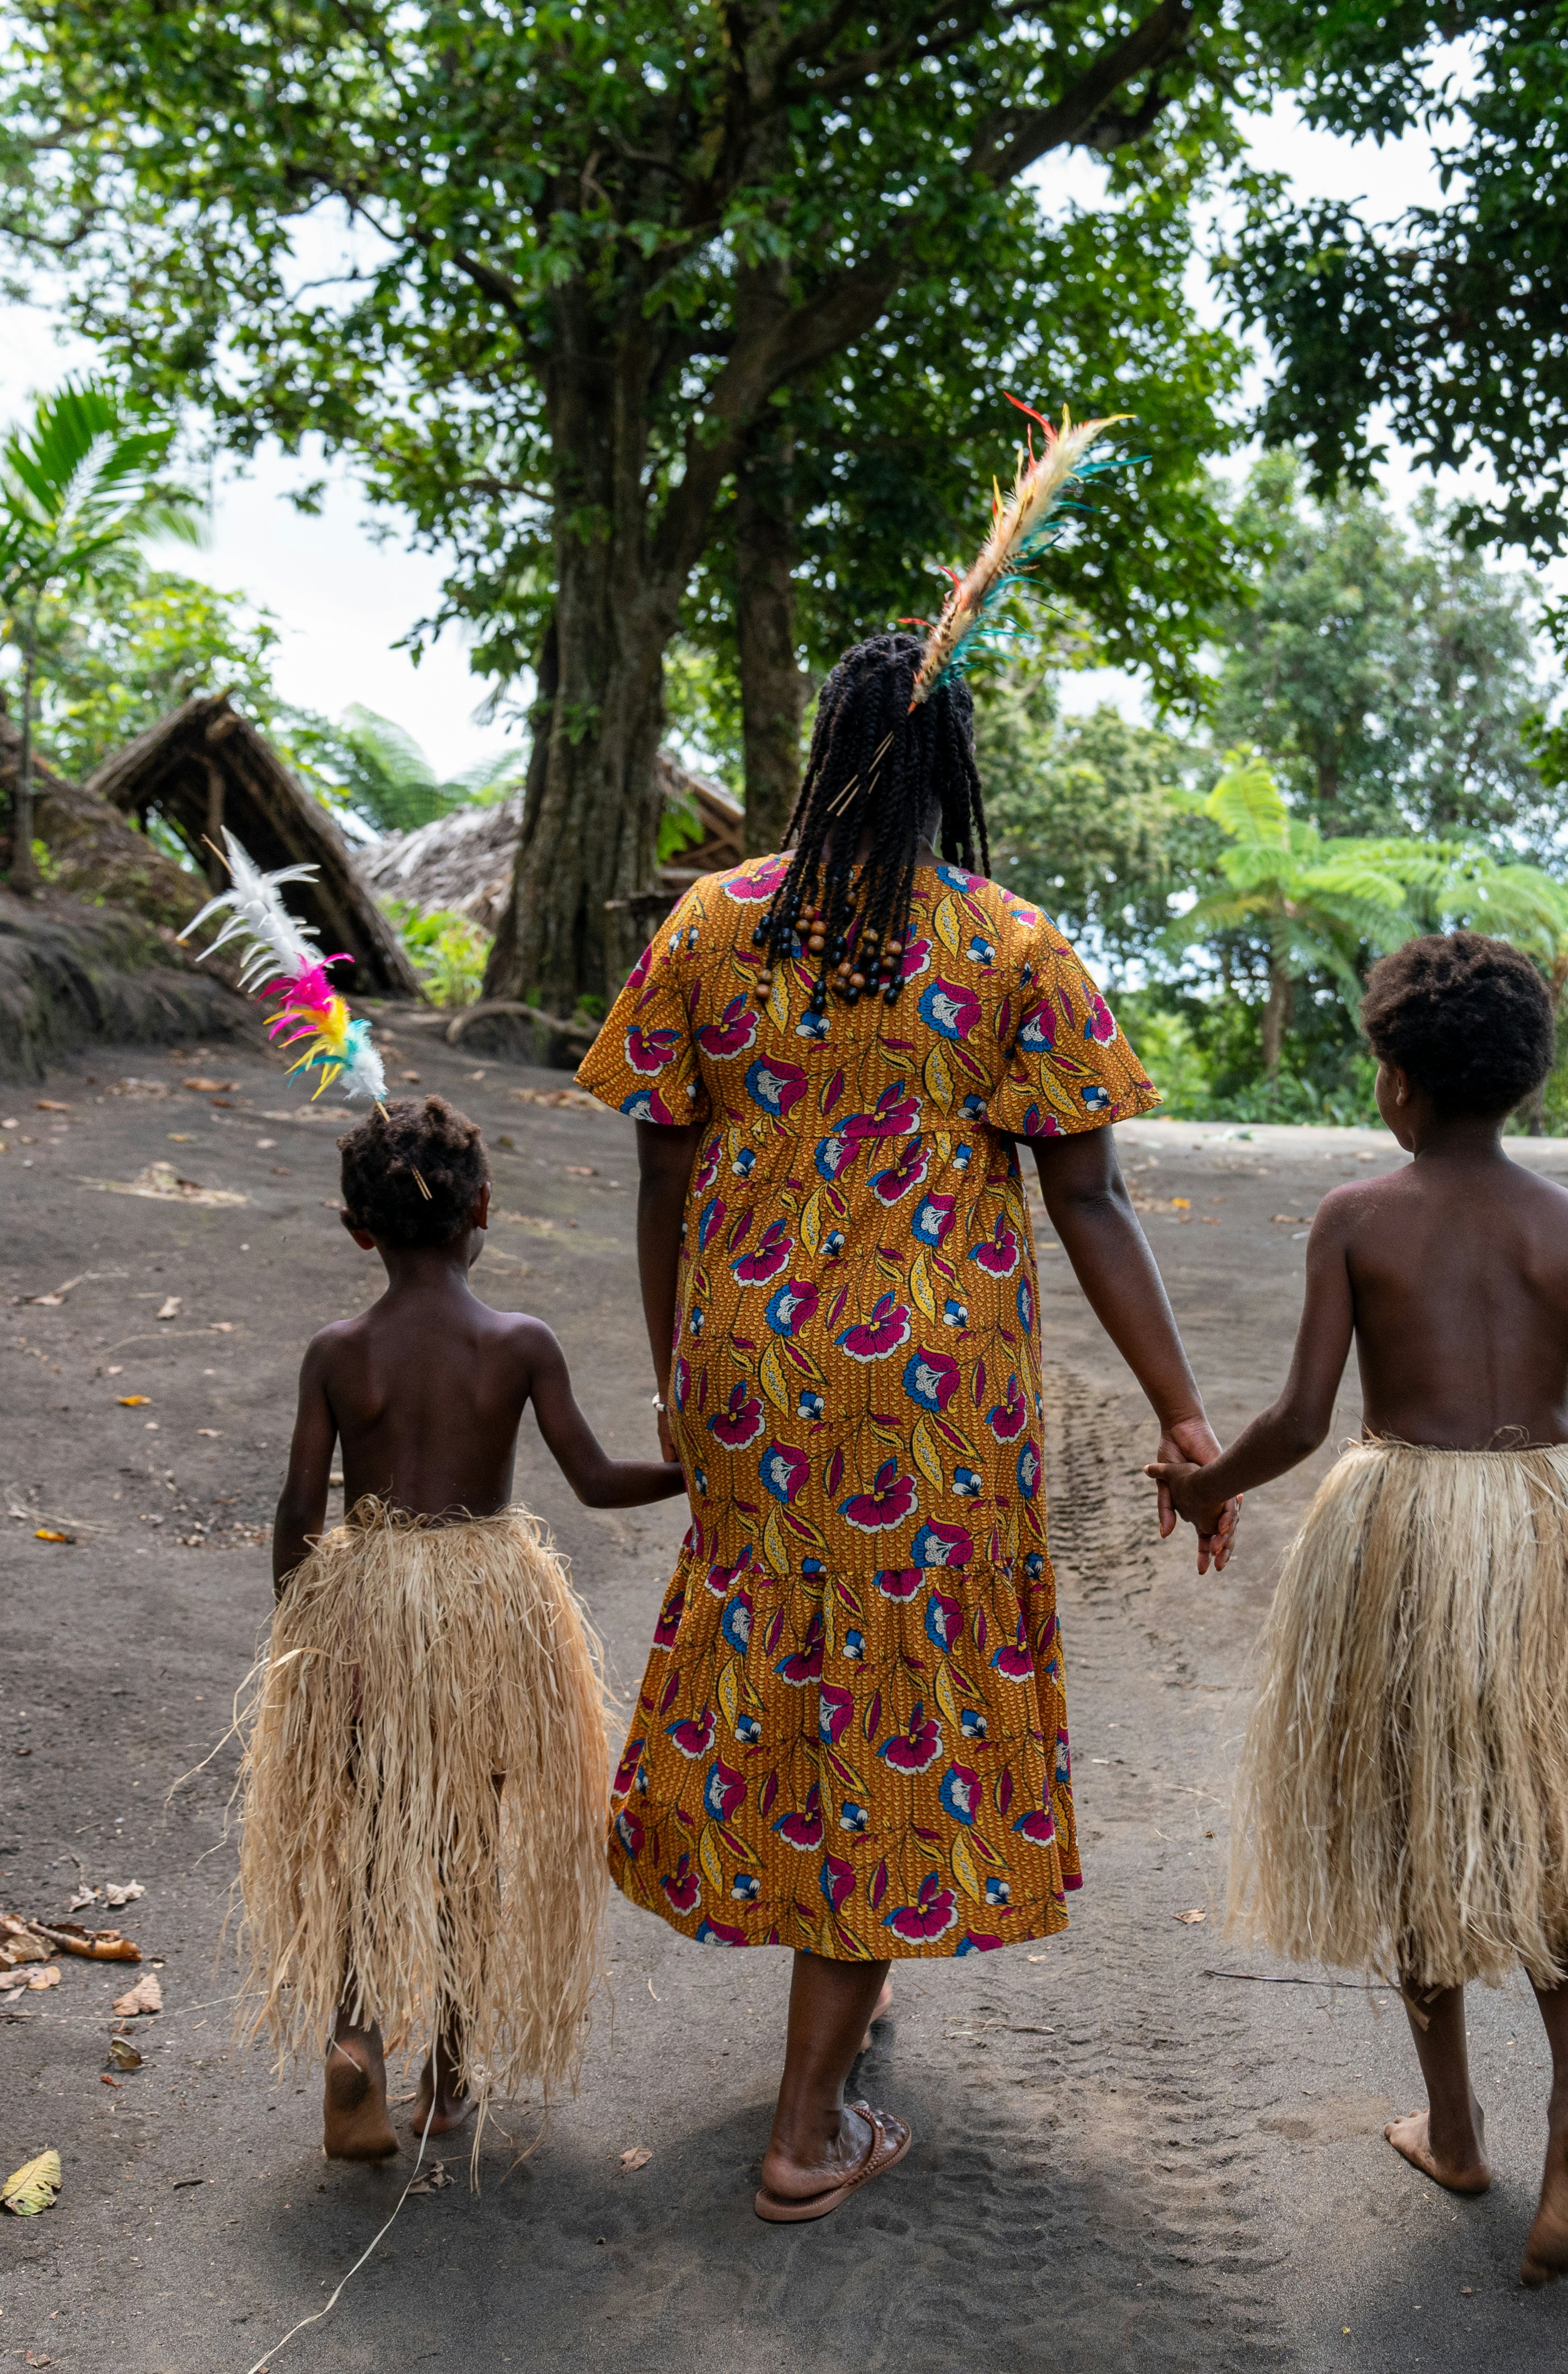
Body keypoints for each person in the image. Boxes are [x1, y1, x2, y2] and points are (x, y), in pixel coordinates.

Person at [580, 629, 1235, 2225]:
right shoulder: (1008, 944)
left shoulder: (714, 923)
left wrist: (680, 1373)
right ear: (955, 767)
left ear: (826, 749)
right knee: (891, 1712)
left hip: (745, 1358)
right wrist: (1179, 1411)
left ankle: (836, 2009)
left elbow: (662, 1168)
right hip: (930, 1390)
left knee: (791, 1666)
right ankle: (808, 2128)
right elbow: (1089, 1197)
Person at [1149, 931, 1568, 2288]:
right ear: (1523, 1082)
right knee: (1554, 1808)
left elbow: (1300, 1419)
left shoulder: (1357, 1216)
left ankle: (1457, 2126)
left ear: (1398, 1081)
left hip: (1404, 1527)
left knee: (1422, 1813)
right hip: (1550, 1527)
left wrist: (1201, 1487)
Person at [236, 1096, 684, 2161]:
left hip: (368, 1611)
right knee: (470, 1841)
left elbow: (300, 1506)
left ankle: (354, 2037)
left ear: (358, 1229)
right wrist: (700, 1476)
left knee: (364, 1833)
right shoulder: (518, 1342)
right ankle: (446, 2074)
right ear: (484, 1207)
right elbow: (596, 1477)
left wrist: (302, 1621)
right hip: (485, 1611)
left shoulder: (338, 1351)